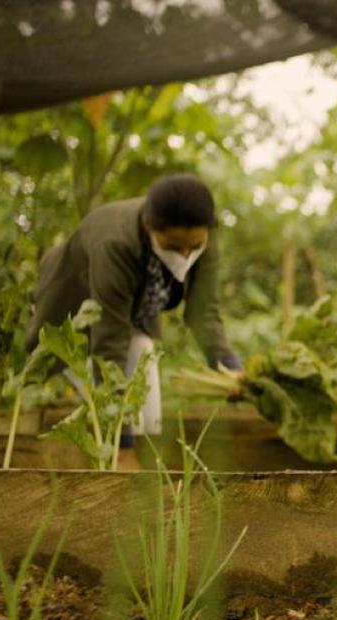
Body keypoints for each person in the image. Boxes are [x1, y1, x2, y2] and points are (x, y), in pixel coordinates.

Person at [25, 173, 242, 468]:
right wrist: (122, 446)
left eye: (194, 245)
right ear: (148, 226)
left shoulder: (201, 236)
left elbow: (203, 311)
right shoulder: (114, 243)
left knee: (147, 412)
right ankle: (112, 477)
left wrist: (230, 367)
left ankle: (143, 486)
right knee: (117, 422)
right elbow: (108, 344)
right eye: (173, 247)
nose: (185, 255)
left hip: (133, 318)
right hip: (74, 319)